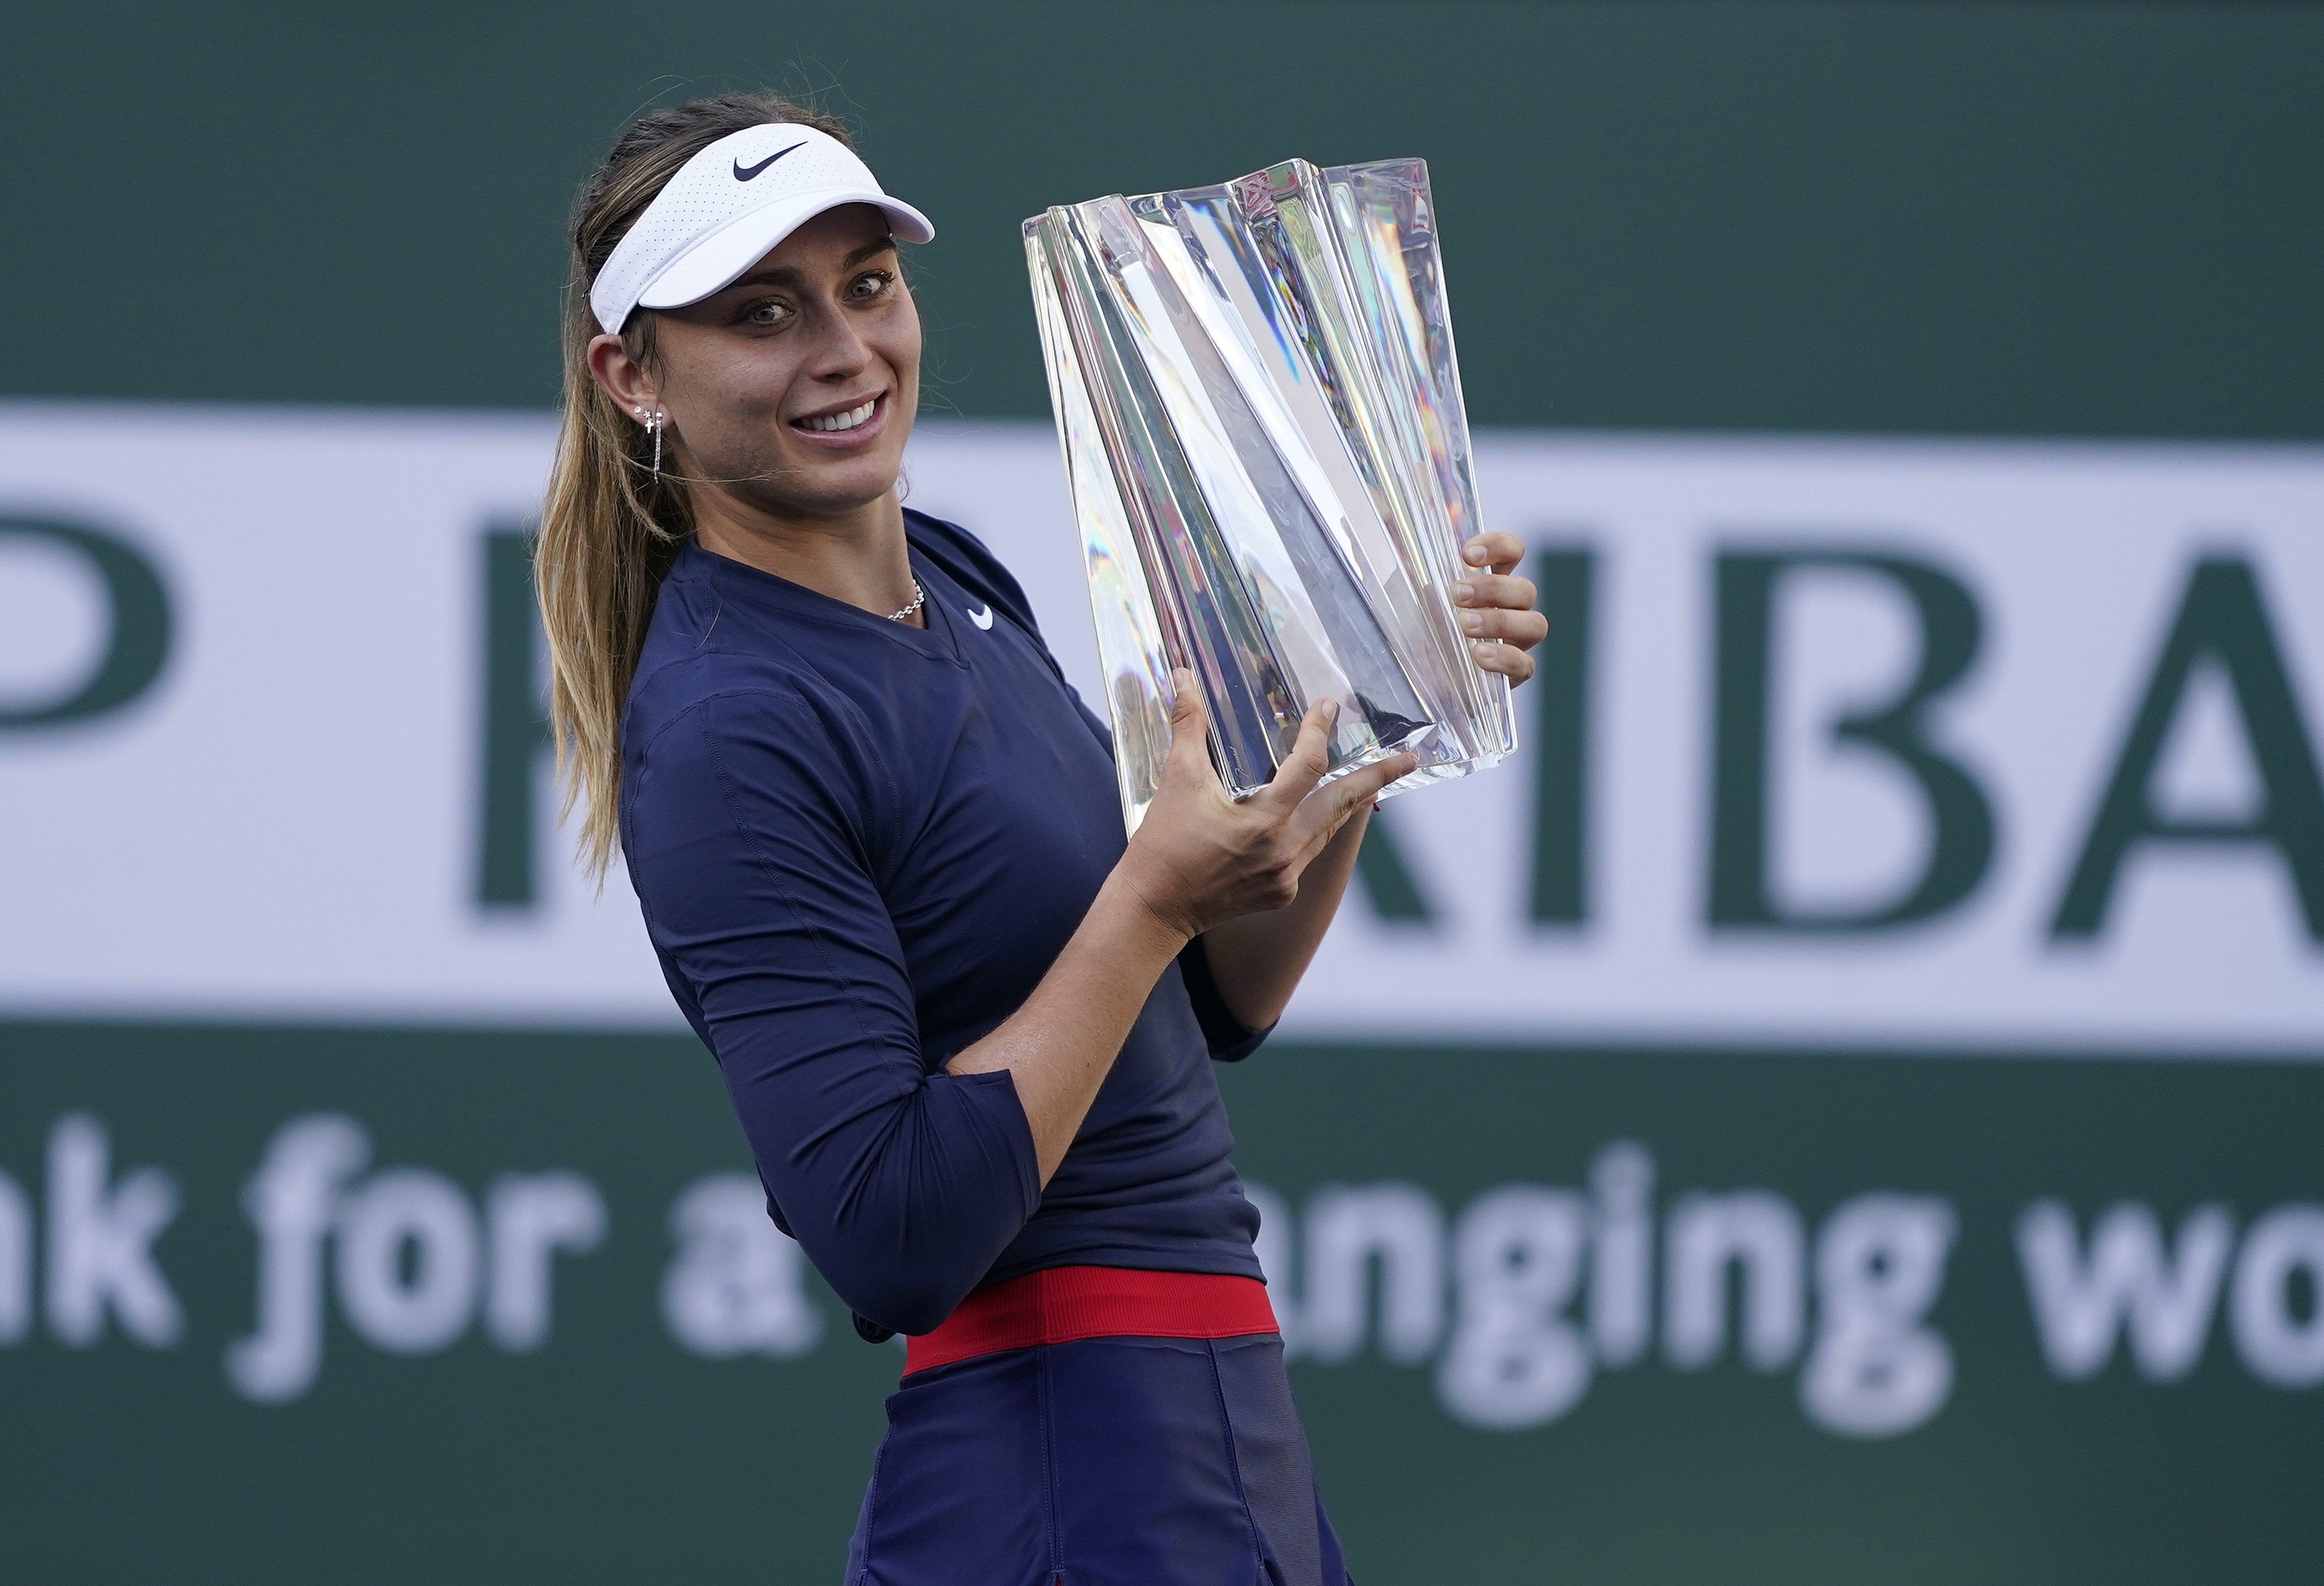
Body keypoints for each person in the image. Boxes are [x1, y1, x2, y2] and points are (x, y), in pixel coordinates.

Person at [536, 91, 1547, 1586]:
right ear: (637, 378)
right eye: (762, 313)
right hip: (1066, 1473)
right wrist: (1145, 904)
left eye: (866, 286)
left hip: (1215, 1441)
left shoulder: (952, 573)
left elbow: (1222, 997)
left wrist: (1381, 694)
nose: (842, 350)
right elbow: (886, 1234)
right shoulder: (729, 726)